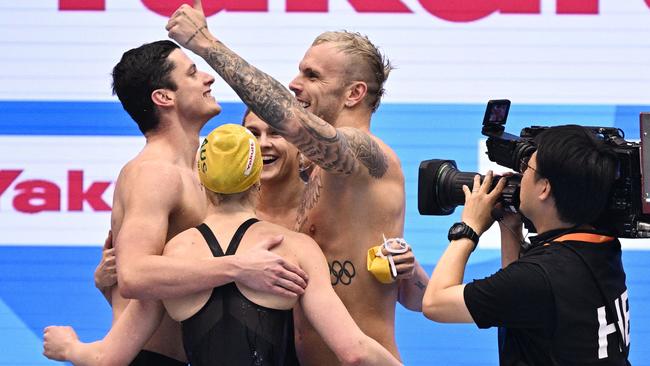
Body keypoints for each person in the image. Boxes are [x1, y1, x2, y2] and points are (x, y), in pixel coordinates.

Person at [166, 2, 429, 363]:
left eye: (312, 75)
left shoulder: (365, 155)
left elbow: (288, 119)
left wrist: (206, 43)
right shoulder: (317, 171)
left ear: (354, 93)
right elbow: (414, 297)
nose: (295, 83)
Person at [42, 40, 309, 366]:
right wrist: (239, 267)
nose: (208, 79)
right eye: (193, 73)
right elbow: (135, 275)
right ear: (164, 97)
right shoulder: (154, 174)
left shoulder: (199, 170)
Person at [161, 123, 401, 365]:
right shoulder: (293, 248)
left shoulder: (174, 253)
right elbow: (354, 352)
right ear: (257, 180)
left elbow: (121, 353)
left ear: (201, 179)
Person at [422, 125, 631, 365]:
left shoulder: (539, 278)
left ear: (544, 188)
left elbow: (435, 302)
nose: (519, 176)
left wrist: (469, 227)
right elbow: (525, 303)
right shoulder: (602, 247)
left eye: (526, 168)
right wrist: (508, 225)